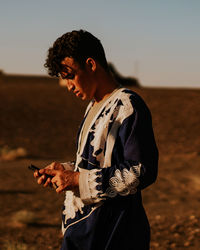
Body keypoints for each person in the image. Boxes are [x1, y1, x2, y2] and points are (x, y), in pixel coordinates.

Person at [34, 29, 158, 250]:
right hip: (83, 233)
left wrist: (77, 180)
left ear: (91, 65)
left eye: (70, 76)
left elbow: (141, 170)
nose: (69, 86)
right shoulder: (92, 107)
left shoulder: (128, 106)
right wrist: (64, 171)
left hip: (114, 234)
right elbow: (97, 164)